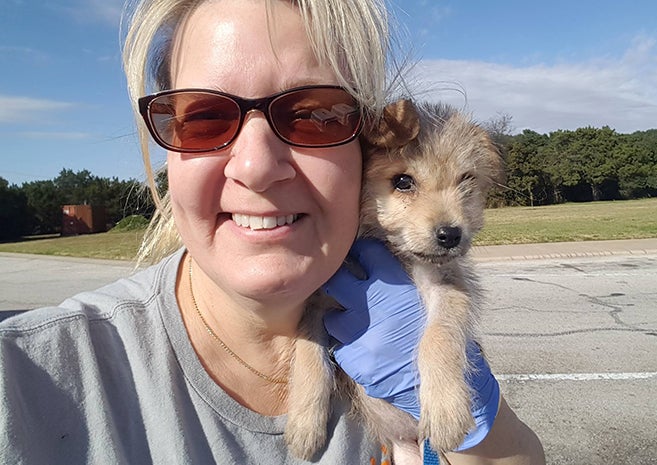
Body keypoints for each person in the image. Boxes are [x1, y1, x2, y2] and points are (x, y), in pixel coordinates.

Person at [0, 0, 545, 464]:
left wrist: (480, 433)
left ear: (367, 142)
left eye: (316, 114)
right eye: (203, 117)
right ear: (165, 147)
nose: (256, 168)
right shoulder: (25, 379)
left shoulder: (402, 304)